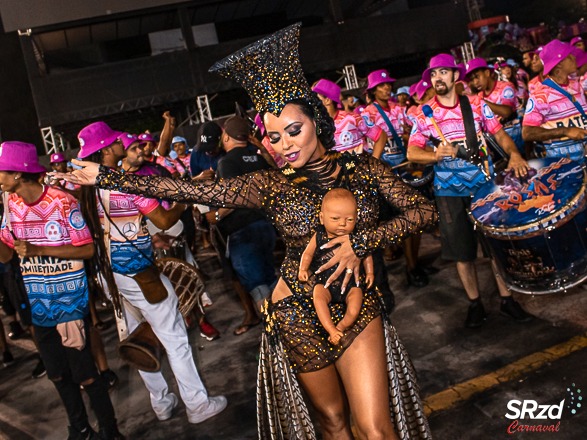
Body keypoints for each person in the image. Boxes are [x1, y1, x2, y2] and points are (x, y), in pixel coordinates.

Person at [53, 24, 436, 439]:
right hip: (295, 312)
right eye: (274, 137)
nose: (286, 145)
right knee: (331, 423)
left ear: (316, 121)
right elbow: (183, 187)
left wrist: (361, 241)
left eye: (294, 130)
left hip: (357, 305)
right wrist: (111, 176)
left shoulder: (363, 169)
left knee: (377, 429)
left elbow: (424, 211)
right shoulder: (270, 185)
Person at [75, 122, 227, 424]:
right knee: (175, 339)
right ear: (106, 150)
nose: (122, 143)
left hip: (111, 276)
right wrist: (184, 199)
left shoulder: (88, 189)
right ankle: (198, 405)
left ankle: (161, 403)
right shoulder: (124, 184)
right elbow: (166, 220)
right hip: (139, 274)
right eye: (116, 141)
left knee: (138, 338)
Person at [0, 141, 123, 440]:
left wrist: (39, 248)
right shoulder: (10, 204)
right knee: (57, 375)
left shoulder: (61, 201)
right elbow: (5, 256)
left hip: (69, 301)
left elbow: (88, 249)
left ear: (18, 174)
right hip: (39, 304)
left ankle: (110, 431)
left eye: (1, 171)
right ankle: (80, 429)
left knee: (87, 375)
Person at [407, 53, 533, 328]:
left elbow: (499, 135)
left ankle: (507, 299)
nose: (437, 78)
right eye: (433, 74)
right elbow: (413, 151)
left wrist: (514, 155)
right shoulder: (425, 113)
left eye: (443, 73)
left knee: (495, 247)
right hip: (448, 192)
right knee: (462, 253)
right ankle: (475, 303)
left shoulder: (475, 105)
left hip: (483, 186)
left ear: (455, 76)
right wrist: (435, 155)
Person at [205, 115, 277, 334]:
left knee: (257, 287)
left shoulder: (227, 162)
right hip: (265, 225)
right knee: (270, 279)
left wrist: (214, 216)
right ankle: (289, 326)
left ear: (226, 136)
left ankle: (277, 336)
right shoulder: (258, 157)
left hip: (243, 232)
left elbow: (233, 201)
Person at [299, 188, 373, 346]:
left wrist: (370, 272)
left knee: (354, 307)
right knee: (318, 298)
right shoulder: (319, 236)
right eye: (335, 218)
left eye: (350, 219)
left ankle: (341, 327)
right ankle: (331, 329)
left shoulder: (356, 238)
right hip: (325, 283)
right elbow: (307, 254)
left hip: (352, 284)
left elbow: (367, 255)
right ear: (321, 218)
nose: (342, 223)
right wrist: (303, 269)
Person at [522, 39, 587, 162]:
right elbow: (527, 133)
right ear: (559, 64)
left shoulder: (577, 85)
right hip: (563, 165)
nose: (574, 57)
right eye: (569, 56)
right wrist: (565, 131)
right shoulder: (540, 96)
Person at [311, 78, 387, 156]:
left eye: (315, 98)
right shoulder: (315, 126)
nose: (311, 103)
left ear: (327, 100)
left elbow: (381, 136)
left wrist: (373, 163)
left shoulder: (353, 119)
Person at [465, 57, 525, 155]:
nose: (475, 82)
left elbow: (506, 112)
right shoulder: (480, 94)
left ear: (487, 73)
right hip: (497, 143)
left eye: (477, 77)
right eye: (472, 79)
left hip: (517, 139)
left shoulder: (506, 87)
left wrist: (480, 101)